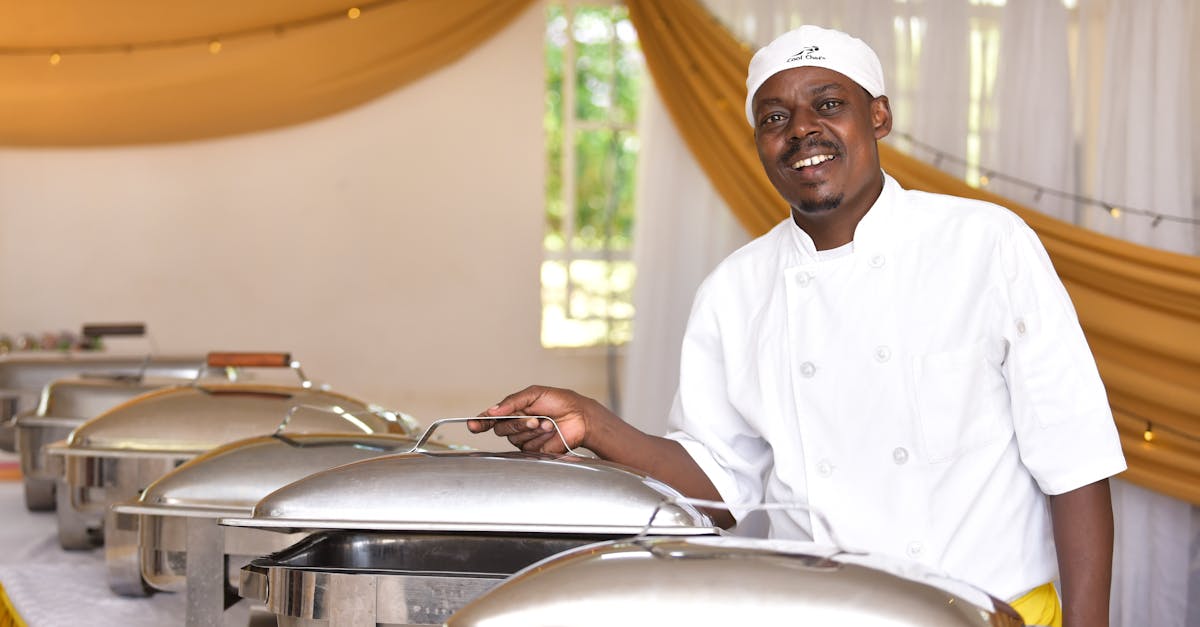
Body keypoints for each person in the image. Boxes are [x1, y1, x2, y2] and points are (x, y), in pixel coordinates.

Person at [470, 25, 1125, 627]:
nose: (802, 131)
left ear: (880, 114)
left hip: (993, 610)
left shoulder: (986, 244)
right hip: (825, 611)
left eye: (828, 104)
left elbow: (1075, 459)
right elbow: (721, 489)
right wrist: (590, 421)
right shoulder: (736, 289)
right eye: (775, 118)